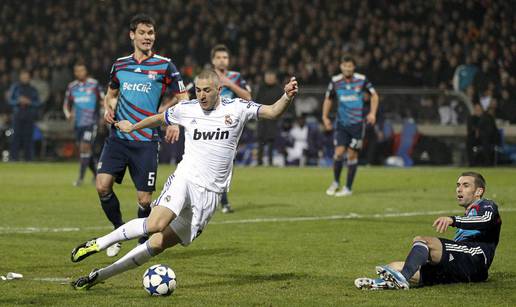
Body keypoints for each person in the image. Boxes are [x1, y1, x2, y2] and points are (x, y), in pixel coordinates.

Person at [69, 69, 299, 290]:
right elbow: (160, 118)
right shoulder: (187, 108)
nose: (201, 95)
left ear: (219, 89)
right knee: (155, 224)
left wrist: (286, 96)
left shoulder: (238, 108)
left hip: (209, 194)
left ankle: (98, 276)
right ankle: (99, 243)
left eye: (207, 90)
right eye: (198, 90)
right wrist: (133, 127)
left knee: (157, 243)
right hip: (185, 178)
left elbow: (272, 112)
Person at [96, 14, 188, 257]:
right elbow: (111, 93)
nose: (148, 38)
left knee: (145, 200)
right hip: (117, 138)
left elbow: (183, 98)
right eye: (143, 33)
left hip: (146, 140)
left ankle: (141, 242)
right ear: (132, 35)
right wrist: (109, 107)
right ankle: (118, 231)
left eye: (151, 33)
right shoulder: (120, 65)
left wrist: (173, 121)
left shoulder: (165, 65)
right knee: (102, 186)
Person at [355, 172, 502, 290]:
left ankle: (402, 279)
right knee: (394, 266)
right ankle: (381, 283)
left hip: (475, 259)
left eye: (465, 185)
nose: (459, 189)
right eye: (458, 185)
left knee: (423, 240)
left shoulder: (486, 205)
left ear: (478, 191)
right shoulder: (468, 215)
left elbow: (486, 220)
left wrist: (453, 220)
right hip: (459, 267)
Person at [322, 55, 379, 197]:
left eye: (350, 66)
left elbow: (374, 96)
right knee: (339, 153)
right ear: (341, 66)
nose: (347, 68)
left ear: (354, 67)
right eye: (345, 65)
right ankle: (336, 182)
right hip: (341, 123)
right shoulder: (335, 81)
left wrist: (372, 113)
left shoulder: (362, 79)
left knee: (352, 155)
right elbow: (328, 99)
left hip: (357, 124)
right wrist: (324, 117)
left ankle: (348, 188)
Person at [211, 44, 252, 213]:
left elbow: (248, 97)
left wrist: (229, 84)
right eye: (219, 57)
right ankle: (215, 201)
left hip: (229, 129)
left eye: (225, 57)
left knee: (226, 166)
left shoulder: (236, 77)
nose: (222, 60)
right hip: (208, 126)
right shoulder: (206, 76)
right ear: (213, 60)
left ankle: (223, 201)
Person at [63, 62, 103, 186]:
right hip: (78, 123)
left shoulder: (94, 84)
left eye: (82, 70)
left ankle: (80, 178)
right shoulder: (72, 87)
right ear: (75, 73)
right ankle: (97, 175)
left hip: (91, 122)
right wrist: (68, 114)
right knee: (85, 151)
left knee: (84, 147)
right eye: (77, 71)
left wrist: (104, 114)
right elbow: (66, 104)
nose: (79, 73)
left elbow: (103, 99)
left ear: (86, 71)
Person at [8, 70, 40, 161]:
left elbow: (38, 103)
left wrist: (30, 102)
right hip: (17, 116)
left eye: (26, 77)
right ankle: (13, 158)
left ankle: (29, 159)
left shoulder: (33, 89)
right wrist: (18, 101)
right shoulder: (15, 88)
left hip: (29, 116)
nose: (24, 79)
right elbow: (10, 101)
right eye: (23, 77)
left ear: (29, 78)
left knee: (28, 138)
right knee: (15, 138)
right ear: (20, 77)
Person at [255, 70, 284, 166]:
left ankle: (270, 162)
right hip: (262, 117)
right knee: (260, 141)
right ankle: (259, 162)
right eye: (268, 75)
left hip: (273, 119)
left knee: (271, 141)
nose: (270, 78)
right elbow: (256, 102)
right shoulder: (261, 88)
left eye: (272, 75)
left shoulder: (279, 89)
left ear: (275, 78)